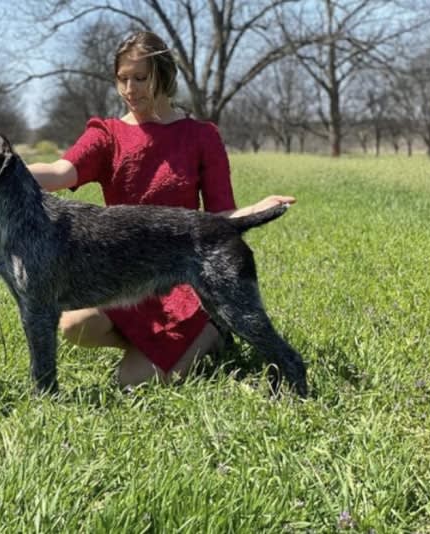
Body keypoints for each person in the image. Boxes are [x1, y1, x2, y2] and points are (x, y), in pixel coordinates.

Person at [28, 31, 295, 387]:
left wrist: (255, 209)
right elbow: (60, 173)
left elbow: (219, 218)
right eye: (122, 78)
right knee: (75, 325)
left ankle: (211, 333)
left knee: (130, 384)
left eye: (140, 78)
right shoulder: (106, 134)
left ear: (164, 77)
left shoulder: (201, 136)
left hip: (186, 277)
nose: (129, 89)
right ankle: (158, 348)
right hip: (127, 278)